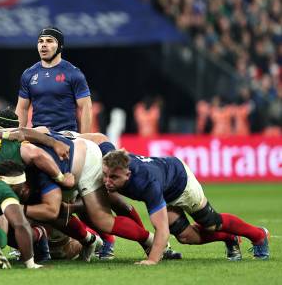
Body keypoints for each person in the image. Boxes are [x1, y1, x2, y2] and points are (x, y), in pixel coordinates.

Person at [102, 149, 270, 264]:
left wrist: (152, 261)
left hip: (181, 182)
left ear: (128, 173)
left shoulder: (146, 184)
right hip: (164, 186)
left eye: (114, 177)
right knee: (185, 237)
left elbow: (162, 230)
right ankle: (229, 237)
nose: (107, 181)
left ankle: (258, 235)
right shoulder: (115, 162)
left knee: (211, 223)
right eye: (105, 175)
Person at [15, 27, 92, 133]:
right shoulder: (29, 74)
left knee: (101, 139)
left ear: (60, 46)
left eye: (49, 41)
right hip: (38, 135)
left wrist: (85, 138)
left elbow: (85, 107)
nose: (44, 44)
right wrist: (17, 137)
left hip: (66, 135)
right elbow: (22, 109)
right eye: (40, 41)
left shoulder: (73, 73)